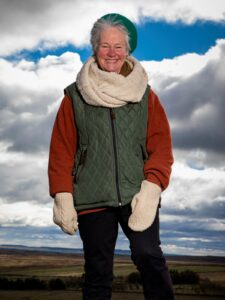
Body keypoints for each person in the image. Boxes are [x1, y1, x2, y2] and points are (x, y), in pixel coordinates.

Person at [48, 13, 175, 300]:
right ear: (95, 48)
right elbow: (61, 150)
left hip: (137, 194)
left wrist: (153, 187)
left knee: (148, 256)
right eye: (105, 45)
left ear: (128, 51)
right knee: (97, 271)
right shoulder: (75, 96)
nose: (112, 53)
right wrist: (62, 195)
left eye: (118, 46)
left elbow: (161, 147)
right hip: (92, 196)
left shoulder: (146, 95)